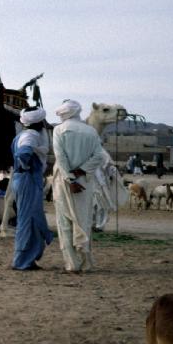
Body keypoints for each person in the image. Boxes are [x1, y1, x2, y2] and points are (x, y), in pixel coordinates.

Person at [51, 100, 106, 274]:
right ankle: (87, 262)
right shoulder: (91, 131)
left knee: (64, 223)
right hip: (85, 183)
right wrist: (81, 171)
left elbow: (60, 158)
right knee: (84, 221)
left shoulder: (58, 130)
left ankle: (72, 263)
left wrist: (70, 179)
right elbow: (98, 156)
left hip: (65, 182)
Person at [11, 108, 54, 271]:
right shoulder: (31, 136)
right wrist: (27, 166)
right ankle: (21, 260)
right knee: (27, 219)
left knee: (33, 219)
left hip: (26, 179)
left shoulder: (24, 135)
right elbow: (23, 154)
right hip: (27, 179)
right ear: (40, 122)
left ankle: (29, 258)